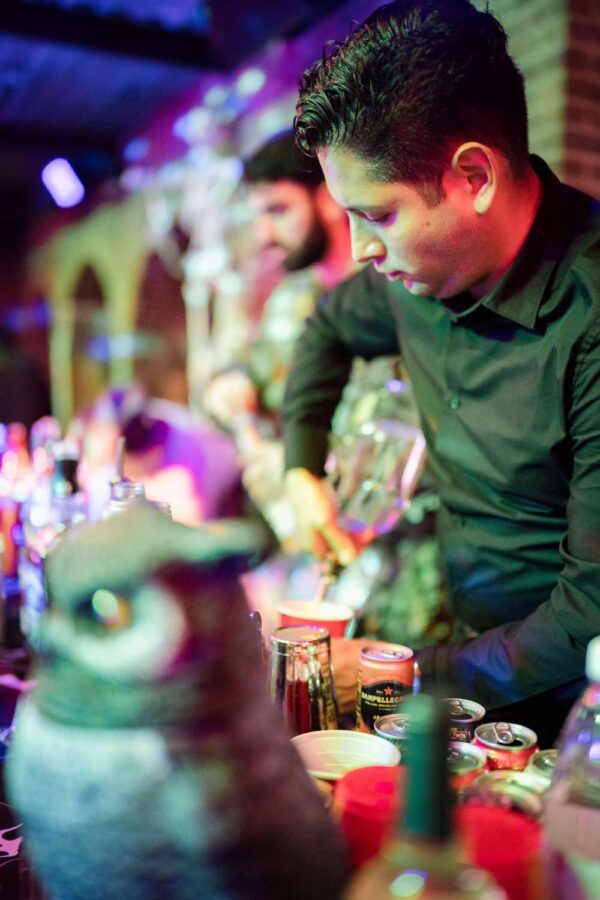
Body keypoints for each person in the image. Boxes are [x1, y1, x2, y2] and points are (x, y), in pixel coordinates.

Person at [281, 0, 600, 745]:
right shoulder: (410, 277)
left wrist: (410, 671)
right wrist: (304, 470)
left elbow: (591, 605)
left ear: (474, 176)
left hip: (580, 714)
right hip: (469, 663)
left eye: (377, 215)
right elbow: (326, 330)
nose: (360, 249)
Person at [204, 130, 354, 524]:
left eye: (279, 210)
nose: (264, 235)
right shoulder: (292, 297)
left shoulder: (396, 288)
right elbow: (254, 363)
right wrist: (232, 381)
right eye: (259, 216)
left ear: (330, 197)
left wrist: (298, 464)